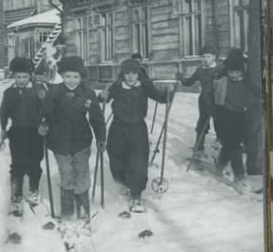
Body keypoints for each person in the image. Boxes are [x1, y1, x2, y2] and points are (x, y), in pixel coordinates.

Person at [38, 56, 105, 231]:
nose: (72, 80)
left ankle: (83, 211)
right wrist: (43, 123)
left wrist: (101, 138)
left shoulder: (88, 93)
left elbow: (97, 118)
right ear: (62, 76)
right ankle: (68, 213)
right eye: (68, 76)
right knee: (67, 174)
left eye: (75, 77)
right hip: (59, 141)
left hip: (81, 141)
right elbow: (44, 113)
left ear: (81, 77)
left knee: (81, 174)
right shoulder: (54, 92)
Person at [99, 59, 173, 212]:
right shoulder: (117, 87)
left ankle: (136, 195)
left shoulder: (144, 86)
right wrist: (102, 96)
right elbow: (104, 98)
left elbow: (160, 98)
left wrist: (168, 93)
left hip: (138, 129)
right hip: (118, 129)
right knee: (117, 162)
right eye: (127, 73)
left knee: (138, 162)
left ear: (138, 73)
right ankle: (125, 182)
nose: (131, 77)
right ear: (123, 74)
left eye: (133, 73)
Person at [0, 57, 45, 210]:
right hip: (16, 133)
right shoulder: (9, 93)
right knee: (17, 164)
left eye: (25, 77)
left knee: (34, 164)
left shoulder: (38, 91)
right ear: (14, 77)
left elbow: (45, 111)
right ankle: (16, 194)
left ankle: (33, 190)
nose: (22, 80)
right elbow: (4, 112)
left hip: (35, 133)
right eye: (18, 77)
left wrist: (44, 124)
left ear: (30, 76)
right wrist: (3, 128)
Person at [212, 48, 259, 187]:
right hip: (224, 116)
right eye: (231, 71)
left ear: (241, 71)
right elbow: (214, 95)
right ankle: (239, 175)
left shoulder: (246, 82)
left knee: (230, 145)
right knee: (234, 146)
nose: (233, 74)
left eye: (236, 71)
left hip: (240, 117)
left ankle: (220, 164)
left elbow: (258, 91)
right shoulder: (223, 81)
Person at [176, 45, 221, 152]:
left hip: (218, 100)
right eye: (203, 57)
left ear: (214, 57)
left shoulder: (220, 68)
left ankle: (221, 145)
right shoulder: (200, 70)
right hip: (204, 100)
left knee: (220, 123)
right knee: (202, 123)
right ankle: (199, 147)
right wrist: (181, 78)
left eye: (208, 56)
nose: (205, 59)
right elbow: (189, 82)